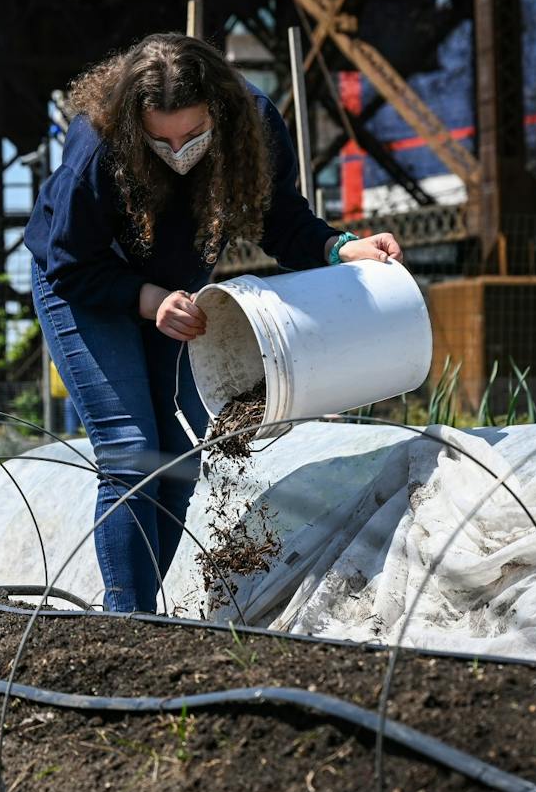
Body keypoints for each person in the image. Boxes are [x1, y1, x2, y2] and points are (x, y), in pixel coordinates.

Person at [24, 33, 403, 613]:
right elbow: (71, 263)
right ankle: (126, 621)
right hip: (83, 284)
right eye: (160, 140)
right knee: (130, 450)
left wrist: (339, 248)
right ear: (135, 125)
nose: (178, 151)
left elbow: (280, 220)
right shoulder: (96, 145)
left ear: (218, 113)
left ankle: (140, 612)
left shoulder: (252, 124)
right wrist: (149, 300)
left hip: (176, 292)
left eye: (192, 136)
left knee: (175, 455)